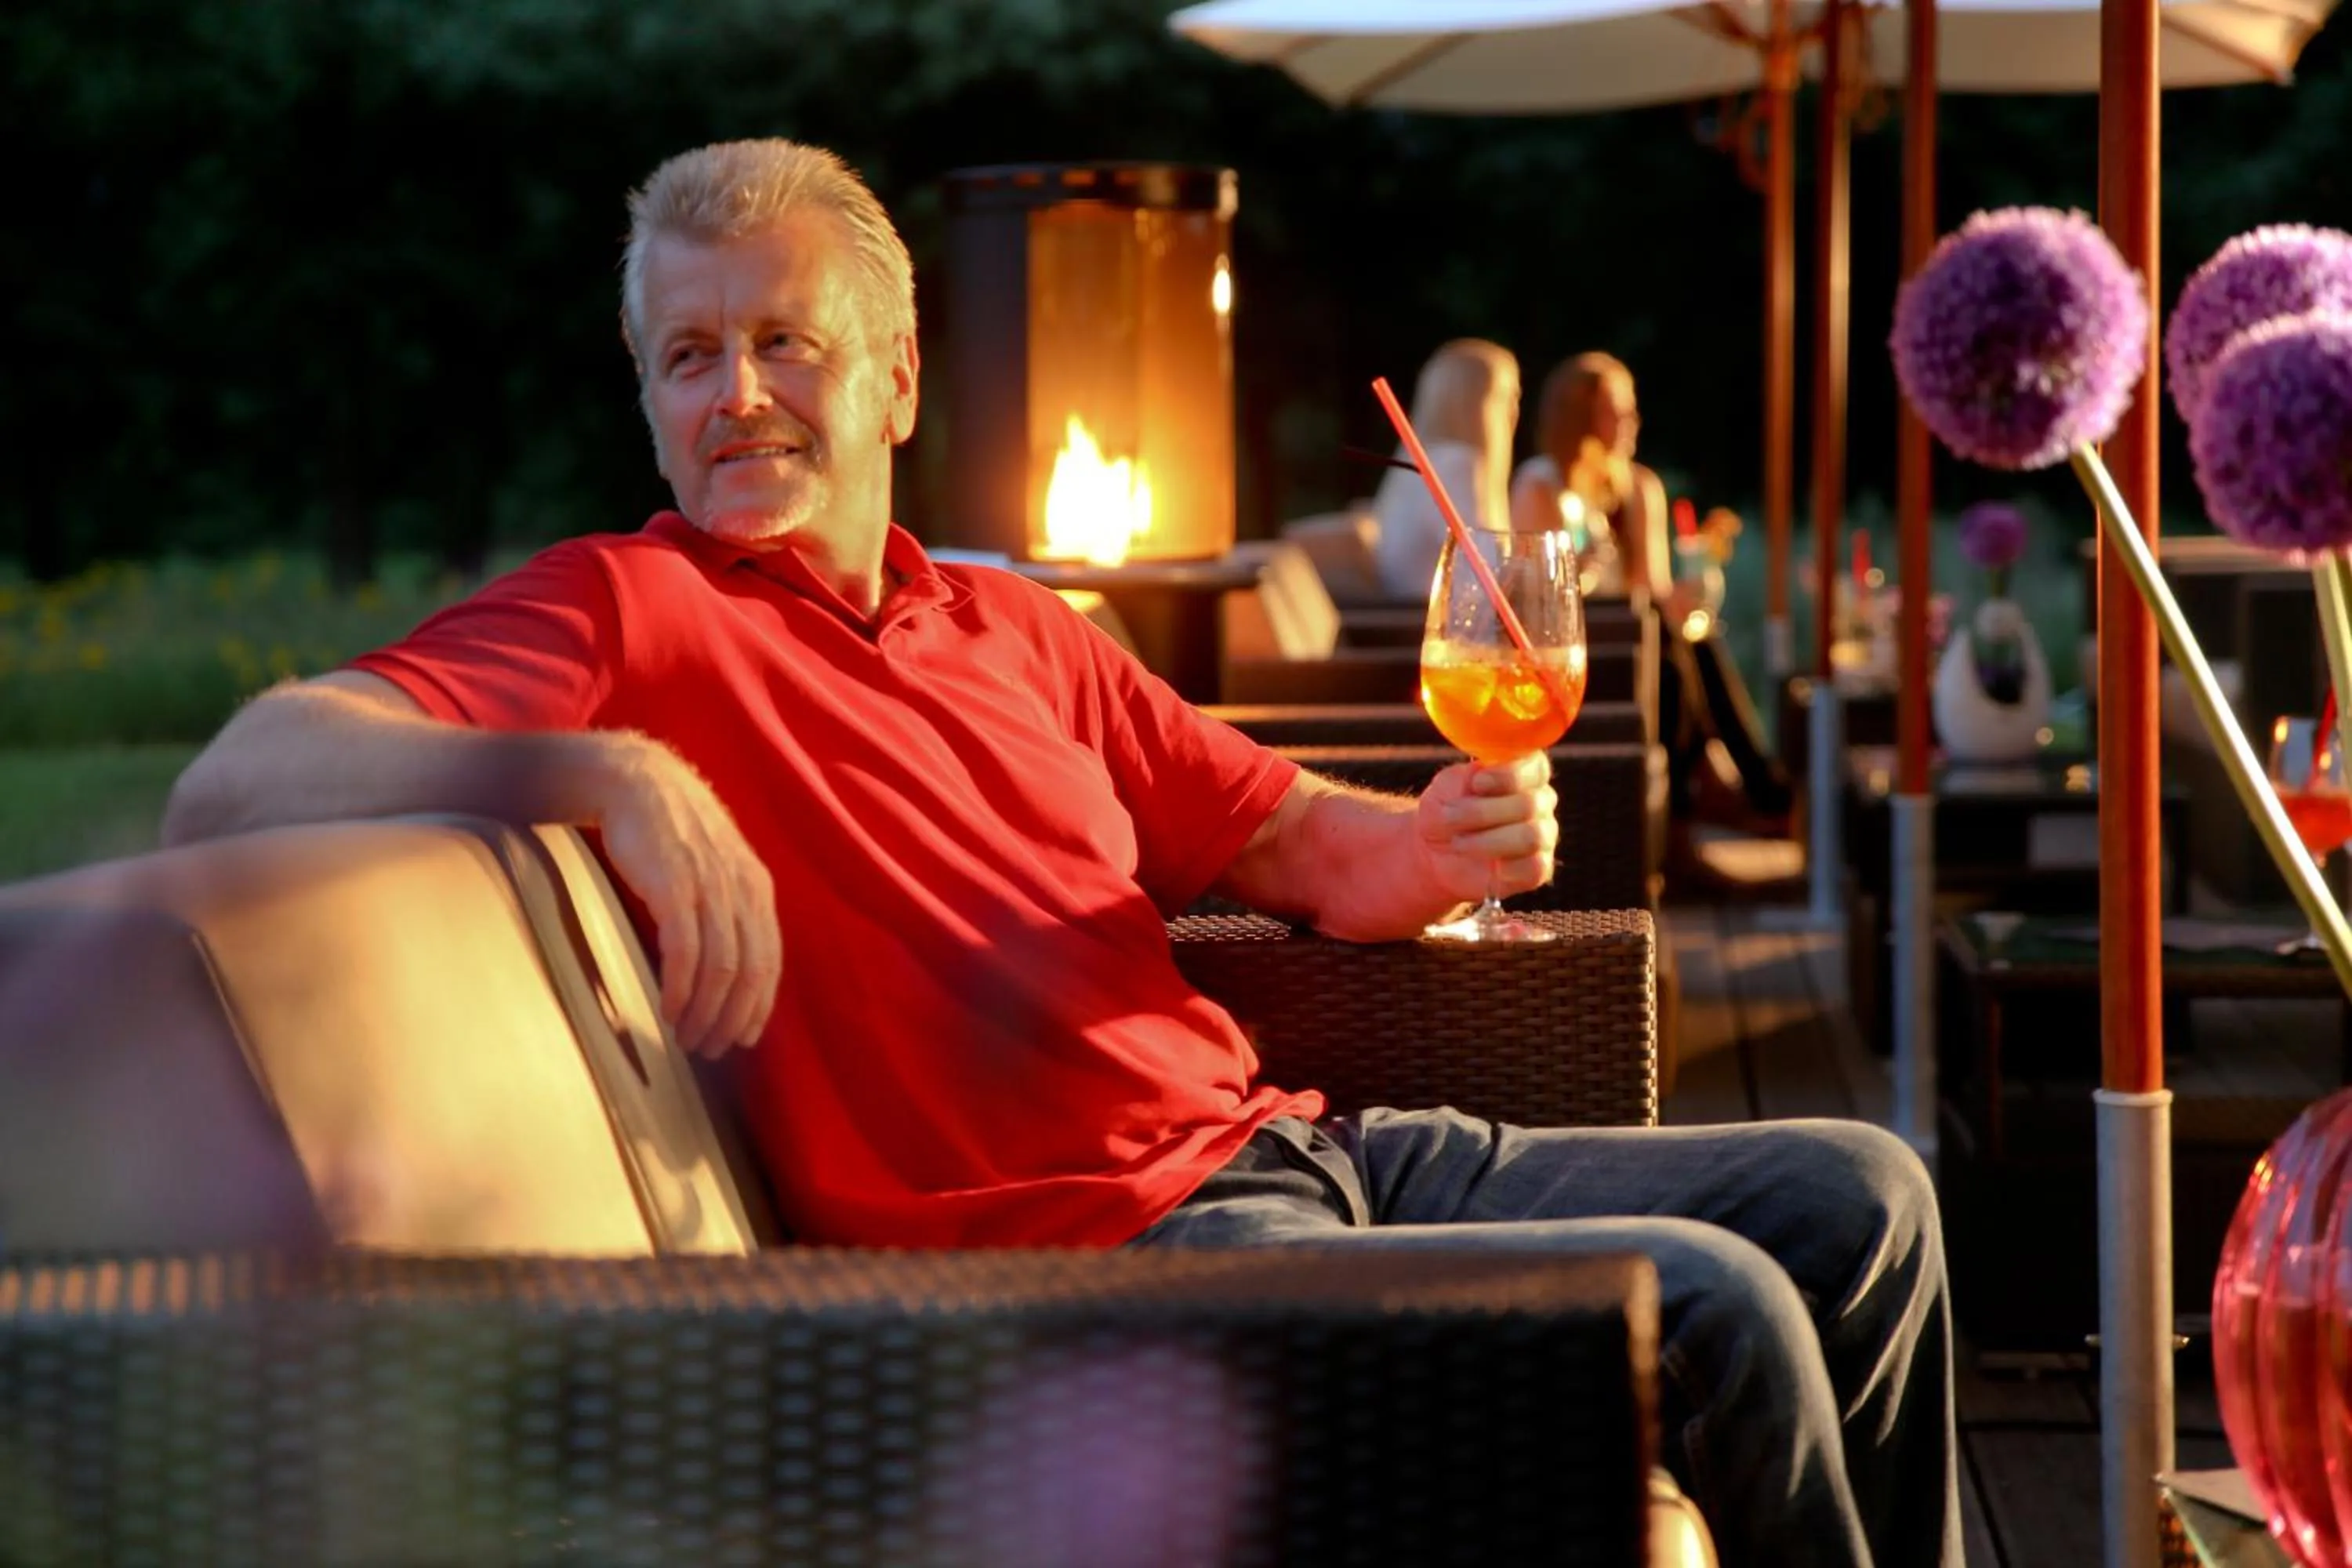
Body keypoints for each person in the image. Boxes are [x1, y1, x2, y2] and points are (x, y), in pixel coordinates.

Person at [162, 138, 1954, 1568]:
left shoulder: (1015, 631)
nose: (737, 399)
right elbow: (239, 778)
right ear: (645, 394)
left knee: (1859, 1194)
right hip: (1101, 1280)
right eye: (688, 356)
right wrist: (600, 767)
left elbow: (1305, 846)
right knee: (1705, 1310)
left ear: (897, 379)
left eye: (784, 342)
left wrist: (1438, 835)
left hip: (1308, 1155)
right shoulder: (627, 607)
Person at [1531, 351, 1795, 840]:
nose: (1633, 420)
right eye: (1619, 409)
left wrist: (1687, 597)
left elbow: (1651, 592)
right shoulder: (1541, 487)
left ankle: (1734, 798)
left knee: (1692, 642)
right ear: (1581, 416)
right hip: (1583, 651)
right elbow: (1539, 598)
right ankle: (1749, 796)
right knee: (1671, 656)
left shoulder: (1639, 488)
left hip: (1640, 644)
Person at [1370, 338, 1519, 599]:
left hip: (1415, 617)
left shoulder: (1425, 462)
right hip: (1430, 625)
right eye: (1507, 396)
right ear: (1480, 405)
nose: (1514, 410)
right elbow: (1486, 571)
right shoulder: (1457, 465)